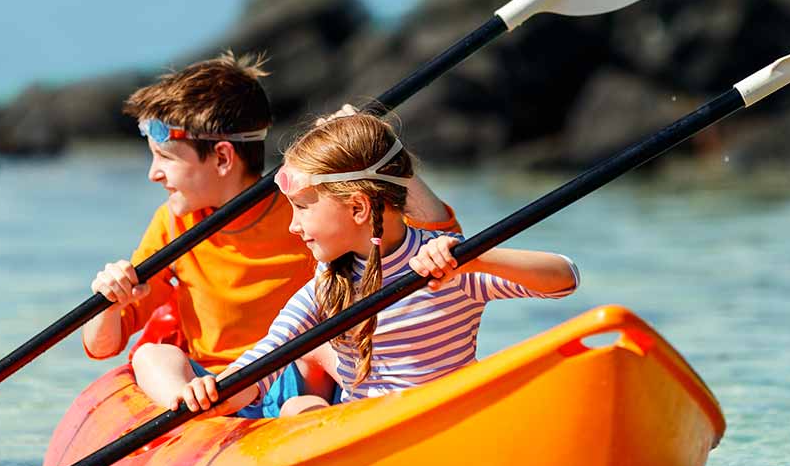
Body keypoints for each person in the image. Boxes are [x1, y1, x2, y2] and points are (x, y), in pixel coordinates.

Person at [82, 53, 458, 418]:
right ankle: (188, 415)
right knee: (151, 355)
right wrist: (111, 302)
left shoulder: (304, 210)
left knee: (320, 348)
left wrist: (377, 154)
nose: (154, 174)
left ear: (224, 158)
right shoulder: (173, 224)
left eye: (166, 157)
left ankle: (310, 422)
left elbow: (436, 237)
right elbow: (104, 346)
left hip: (297, 377)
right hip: (213, 384)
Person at [176, 111, 578, 418]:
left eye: (300, 208)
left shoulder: (449, 262)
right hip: (367, 432)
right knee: (297, 410)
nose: (294, 226)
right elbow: (266, 358)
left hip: (447, 421)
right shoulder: (326, 285)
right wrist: (214, 389)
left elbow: (565, 278)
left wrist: (474, 257)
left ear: (357, 207)